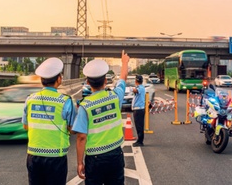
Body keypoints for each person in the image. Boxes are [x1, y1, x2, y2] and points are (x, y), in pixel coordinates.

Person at [72, 50, 130, 185]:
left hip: (95, 159)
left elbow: (81, 137)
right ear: (105, 80)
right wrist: (124, 62)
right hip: (115, 154)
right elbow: (123, 78)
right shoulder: (116, 97)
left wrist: (80, 162)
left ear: (87, 82)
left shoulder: (85, 106)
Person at [22, 57, 76, 185]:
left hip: (33, 156)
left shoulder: (30, 99)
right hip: (56, 157)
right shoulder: (65, 101)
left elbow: (25, 126)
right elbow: (72, 129)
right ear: (58, 79)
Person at [131, 75, 146, 147]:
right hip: (138, 109)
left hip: (139, 109)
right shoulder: (139, 87)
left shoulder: (140, 88)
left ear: (136, 81)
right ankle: (139, 140)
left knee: (139, 126)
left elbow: (135, 91)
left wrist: (130, 88)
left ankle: (140, 141)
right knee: (138, 126)